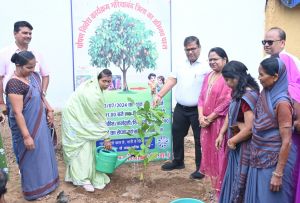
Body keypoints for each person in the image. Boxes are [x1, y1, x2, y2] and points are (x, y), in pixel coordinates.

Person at [153, 36, 210, 179]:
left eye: (193, 49)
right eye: (187, 49)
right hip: (180, 107)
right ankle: (178, 161)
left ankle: (200, 168)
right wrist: (159, 95)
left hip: (199, 109)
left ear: (199, 48)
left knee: (199, 139)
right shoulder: (180, 64)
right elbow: (172, 80)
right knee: (177, 134)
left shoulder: (206, 66)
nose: (190, 52)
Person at [6, 51, 58, 200]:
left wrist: (48, 108)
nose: (33, 70)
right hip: (26, 127)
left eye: (34, 66)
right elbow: (17, 113)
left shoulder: (34, 76)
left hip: (40, 122)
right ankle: (34, 191)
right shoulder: (14, 84)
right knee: (31, 157)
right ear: (18, 65)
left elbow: (40, 95)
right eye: (29, 67)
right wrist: (27, 136)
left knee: (44, 153)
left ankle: (49, 184)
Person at [244, 57, 296, 202]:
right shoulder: (265, 94)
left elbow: (287, 141)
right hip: (258, 156)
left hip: (274, 162)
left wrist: (278, 174)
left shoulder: (282, 103)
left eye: (262, 75)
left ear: (275, 77)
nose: (259, 78)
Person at [262, 27, 300, 202]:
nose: (266, 45)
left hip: (289, 122)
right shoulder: (267, 61)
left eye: (270, 42)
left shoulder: (288, 60)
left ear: (282, 43)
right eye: (264, 42)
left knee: (286, 170)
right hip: (275, 126)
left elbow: (294, 91)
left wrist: (297, 119)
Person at [62, 69, 113, 192]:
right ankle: (82, 179)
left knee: (89, 146)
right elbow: (99, 118)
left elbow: (96, 118)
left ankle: (85, 175)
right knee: (81, 148)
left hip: (81, 118)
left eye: (109, 82)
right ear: (97, 79)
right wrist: (107, 137)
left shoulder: (94, 87)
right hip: (74, 120)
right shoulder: (93, 94)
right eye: (104, 81)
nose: (106, 84)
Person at [217, 61, 260, 203]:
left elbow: (249, 128)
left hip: (244, 147)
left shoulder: (247, 97)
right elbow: (231, 113)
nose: (227, 83)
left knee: (239, 180)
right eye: (225, 79)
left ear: (239, 77)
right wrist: (222, 133)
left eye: (230, 79)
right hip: (236, 142)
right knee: (232, 176)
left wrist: (232, 140)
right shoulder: (238, 92)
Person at [197, 47, 231, 195]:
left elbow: (227, 101)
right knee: (207, 152)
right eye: (210, 59)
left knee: (219, 154)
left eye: (215, 59)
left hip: (218, 123)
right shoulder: (208, 76)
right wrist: (200, 116)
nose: (212, 62)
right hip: (205, 123)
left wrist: (210, 118)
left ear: (225, 60)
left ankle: (220, 191)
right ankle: (212, 188)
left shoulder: (228, 77)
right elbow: (201, 98)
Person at [0, 21, 50, 113]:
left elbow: (45, 75)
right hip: (13, 98)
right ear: (15, 34)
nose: (28, 36)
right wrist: (1, 102)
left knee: (37, 125)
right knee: (18, 123)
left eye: (30, 33)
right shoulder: (4, 53)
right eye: (25, 33)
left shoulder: (37, 53)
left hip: (35, 99)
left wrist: (42, 94)